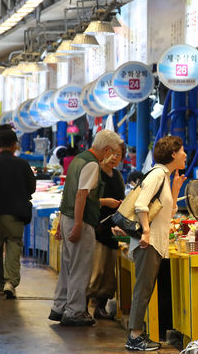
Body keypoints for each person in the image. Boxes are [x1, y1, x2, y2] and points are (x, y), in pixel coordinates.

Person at [49, 129, 123, 327]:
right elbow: (81, 195)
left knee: (68, 266)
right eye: (112, 152)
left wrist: (60, 224)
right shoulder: (91, 164)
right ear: (106, 149)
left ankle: (59, 306)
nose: (112, 156)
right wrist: (79, 224)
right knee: (81, 267)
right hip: (78, 219)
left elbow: (68, 192)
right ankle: (74, 311)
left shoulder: (77, 159)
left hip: (67, 217)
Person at [123, 135, 186, 351]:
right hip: (147, 243)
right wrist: (147, 232)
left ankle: (137, 332)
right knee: (143, 289)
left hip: (155, 243)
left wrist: (176, 190)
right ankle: (134, 336)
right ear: (173, 154)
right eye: (182, 151)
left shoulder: (165, 176)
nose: (185, 154)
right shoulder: (158, 175)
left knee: (146, 288)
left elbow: (166, 211)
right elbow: (141, 205)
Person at [0, 129, 36, 299]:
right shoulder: (23, 164)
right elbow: (31, 187)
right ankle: (10, 282)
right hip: (16, 214)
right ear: (14, 145)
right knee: (13, 245)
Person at [87, 143, 124, 320]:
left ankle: (100, 308)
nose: (115, 158)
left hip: (112, 230)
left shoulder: (117, 175)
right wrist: (105, 202)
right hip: (96, 229)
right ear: (105, 153)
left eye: (119, 155)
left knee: (109, 274)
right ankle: (80, 309)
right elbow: (85, 199)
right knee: (95, 272)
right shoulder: (95, 173)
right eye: (113, 154)